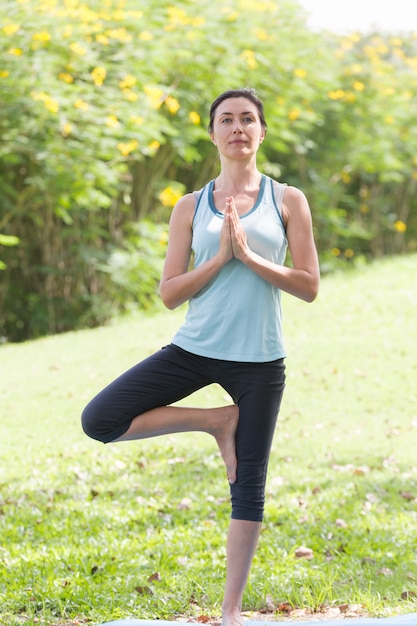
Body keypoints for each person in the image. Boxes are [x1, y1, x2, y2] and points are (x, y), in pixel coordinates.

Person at [81, 88, 320, 626]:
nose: (238, 128)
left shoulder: (288, 200)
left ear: (261, 132)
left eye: (248, 119)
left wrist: (251, 255)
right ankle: (216, 421)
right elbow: (169, 293)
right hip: (194, 350)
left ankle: (231, 611)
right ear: (213, 134)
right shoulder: (190, 205)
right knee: (99, 420)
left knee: (248, 485)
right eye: (227, 120)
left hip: (259, 360)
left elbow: (308, 286)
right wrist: (219, 259)